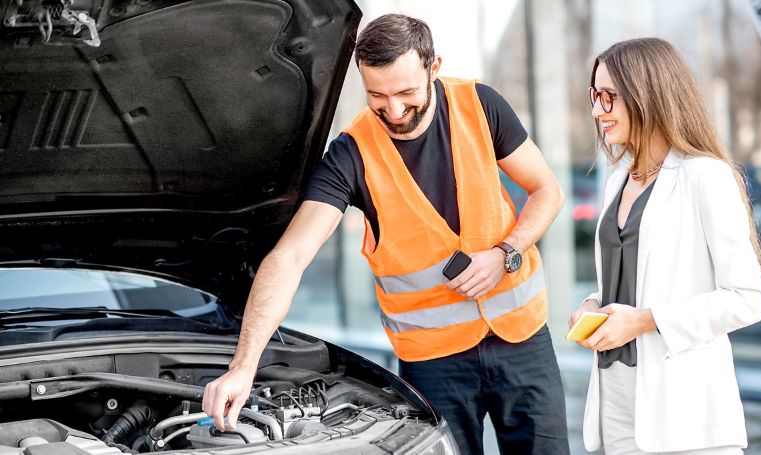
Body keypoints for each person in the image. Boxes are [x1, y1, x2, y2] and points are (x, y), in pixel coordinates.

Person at [202, 13, 570, 454]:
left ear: (434, 67)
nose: (394, 111)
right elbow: (290, 257)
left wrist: (506, 253)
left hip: (522, 339)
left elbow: (546, 190)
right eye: (377, 95)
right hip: (433, 364)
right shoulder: (349, 155)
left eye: (407, 92)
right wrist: (243, 367)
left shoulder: (481, 104)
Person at [568, 37, 761, 455]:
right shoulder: (618, 178)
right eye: (594, 95)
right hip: (615, 397)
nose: (597, 110)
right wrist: (593, 305)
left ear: (648, 95)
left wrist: (644, 321)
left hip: (685, 410)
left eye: (610, 97)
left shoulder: (704, 177)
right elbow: (636, 277)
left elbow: (747, 299)